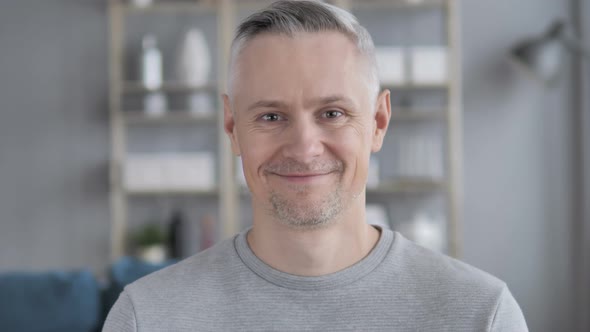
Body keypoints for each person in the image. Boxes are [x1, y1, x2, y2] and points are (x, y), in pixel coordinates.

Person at [103, 1, 528, 331]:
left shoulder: (480, 315)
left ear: (378, 122)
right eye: (271, 116)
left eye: (332, 113)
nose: (304, 148)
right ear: (232, 127)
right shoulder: (148, 317)